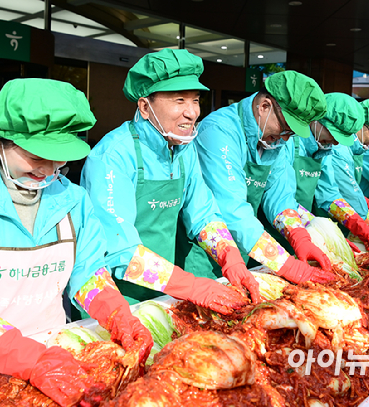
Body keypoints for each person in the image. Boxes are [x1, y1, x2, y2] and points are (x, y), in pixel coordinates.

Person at [0, 79, 153, 407]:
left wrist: (117, 315)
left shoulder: (73, 200)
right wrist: (31, 359)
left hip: (55, 362)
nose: (49, 169)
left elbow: (88, 276)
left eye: (60, 158)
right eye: (37, 154)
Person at [81, 49, 259, 308]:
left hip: (164, 292)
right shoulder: (113, 155)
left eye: (196, 100)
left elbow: (203, 214)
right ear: (144, 106)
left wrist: (229, 255)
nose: (192, 112)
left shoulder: (183, 149)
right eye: (179, 100)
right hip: (114, 301)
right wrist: (191, 286)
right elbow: (119, 250)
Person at [189, 70, 335, 284]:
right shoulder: (219, 130)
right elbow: (231, 207)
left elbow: (279, 196)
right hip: (208, 249)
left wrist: (299, 236)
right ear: (264, 107)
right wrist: (286, 265)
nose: (285, 138)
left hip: (248, 243)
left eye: (290, 134)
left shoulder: (275, 140)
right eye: (285, 128)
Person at [314, 93, 369, 255]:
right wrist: (368, 224)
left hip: (321, 225)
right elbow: (344, 191)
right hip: (303, 225)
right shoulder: (336, 150)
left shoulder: (340, 147)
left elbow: (331, 192)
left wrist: (368, 209)